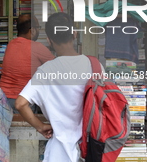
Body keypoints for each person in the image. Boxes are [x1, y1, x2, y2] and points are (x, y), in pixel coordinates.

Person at [15, 12, 93, 162]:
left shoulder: (46, 71)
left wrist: (40, 126)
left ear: (49, 40)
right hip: (90, 148)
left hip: (59, 153)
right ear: (74, 34)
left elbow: (20, 103)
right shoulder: (94, 66)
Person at [0, 14, 54, 112]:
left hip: (3, 99)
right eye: (38, 27)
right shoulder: (37, 47)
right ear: (32, 30)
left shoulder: (11, 44)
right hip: (24, 101)